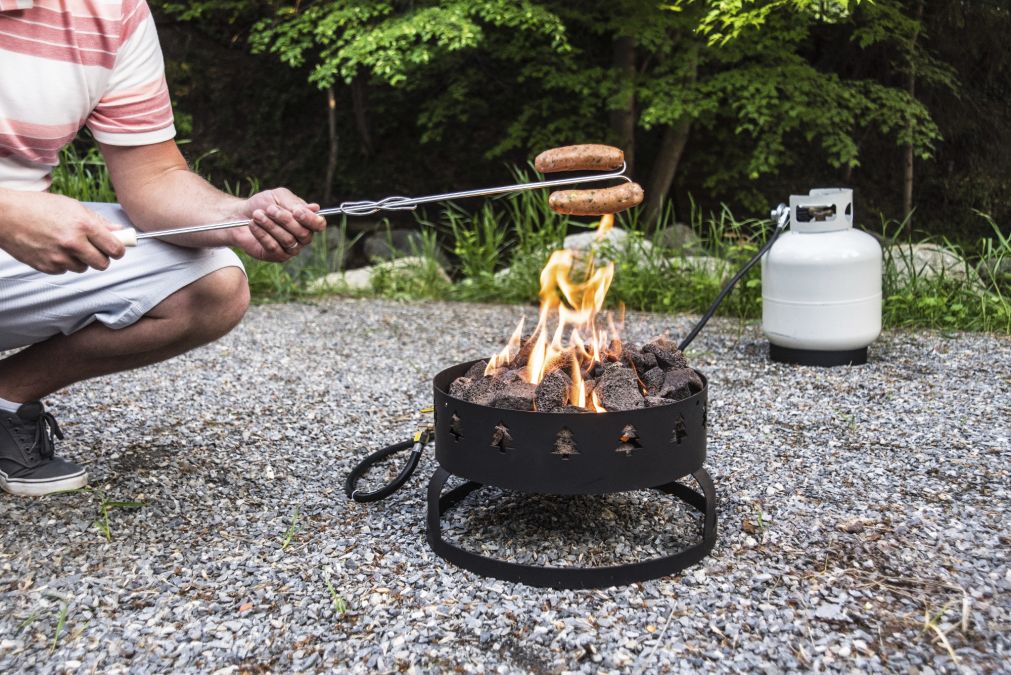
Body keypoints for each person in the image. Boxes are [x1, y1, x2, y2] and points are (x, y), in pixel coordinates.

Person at [0, 0, 326, 496]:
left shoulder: (111, 11)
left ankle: (5, 398)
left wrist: (236, 216)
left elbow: (154, 176)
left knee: (210, 284)